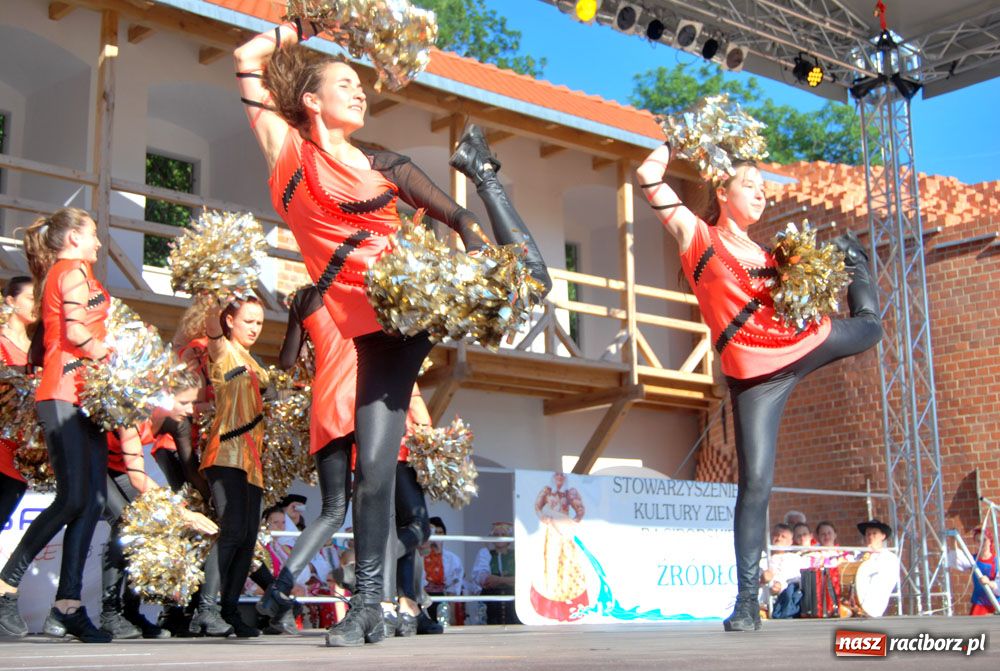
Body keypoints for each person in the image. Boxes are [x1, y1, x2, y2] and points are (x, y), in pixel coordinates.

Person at [236, 15, 549, 646]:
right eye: (344, 84)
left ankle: (485, 173)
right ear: (309, 100)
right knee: (373, 474)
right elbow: (248, 56)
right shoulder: (287, 150)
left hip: (411, 309)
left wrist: (472, 224)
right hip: (368, 332)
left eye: (361, 85)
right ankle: (369, 608)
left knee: (530, 282)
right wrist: (305, 21)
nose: (360, 93)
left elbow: (456, 220)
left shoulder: (384, 164)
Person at [637, 142, 882, 632]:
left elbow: (796, 298)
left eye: (764, 189)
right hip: (754, 375)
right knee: (755, 486)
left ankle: (852, 256)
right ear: (723, 192)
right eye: (750, 185)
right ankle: (747, 603)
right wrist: (680, 141)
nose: (760, 195)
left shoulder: (770, 256)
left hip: (800, 342)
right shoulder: (697, 235)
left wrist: (826, 266)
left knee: (871, 327)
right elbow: (648, 175)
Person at [0, 208, 113, 642]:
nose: (99, 243)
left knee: (93, 501)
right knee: (72, 500)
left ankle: (68, 603)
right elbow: (76, 333)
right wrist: (111, 354)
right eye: (93, 235)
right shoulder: (71, 271)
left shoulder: (72, 272)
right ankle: (7, 583)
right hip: (64, 392)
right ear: (73, 240)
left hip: (87, 398)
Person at [190, 296, 269, 638]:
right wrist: (213, 302)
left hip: (253, 460)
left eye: (259, 323)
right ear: (230, 322)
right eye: (248, 321)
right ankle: (205, 610)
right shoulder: (223, 350)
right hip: (225, 453)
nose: (254, 327)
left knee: (248, 538)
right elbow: (211, 330)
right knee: (232, 530)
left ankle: (229, 609)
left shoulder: (256, 361)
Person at [0, 277, 35, 531]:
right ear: (11, 301)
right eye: (31, 298)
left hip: (21, 456)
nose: (37, 305)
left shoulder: (37, 350)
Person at [530, 473, 588, 622]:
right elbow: (537, 506)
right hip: (551, 532)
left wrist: (571, 521)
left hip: (564, 533)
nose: (559, 479)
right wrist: (542, 516)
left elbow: (580, 510)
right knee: (550, 563)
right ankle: (551, 602)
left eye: (562, 477)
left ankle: (568, 603)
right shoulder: (547, 491)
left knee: (567, 564)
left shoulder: (570, 492)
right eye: (557, 477)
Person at [420, 517, 464, 627]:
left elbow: (453, 589)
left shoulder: (453, 559)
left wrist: (452, 614)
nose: (436, 536)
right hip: (422, 599)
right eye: (433, 532)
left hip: (442, 600)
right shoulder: (418, 557)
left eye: (440, 533)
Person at [472, 522, 518, 625]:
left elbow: (523, 580)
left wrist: (497, 579)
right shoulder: (485, 554)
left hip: (513, 603)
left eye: (503, 535)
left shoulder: (517, 554)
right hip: (492, 603)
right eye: (496, 535)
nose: (499, 538)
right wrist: (510, 580)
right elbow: (485, 580)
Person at [761, 523, 807, 619]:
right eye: (776, 535)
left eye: (783, 537)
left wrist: (781, 586)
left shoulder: (796, 559)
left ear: (790, 542)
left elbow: (798, 581)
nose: (779, 539)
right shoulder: (761, 559)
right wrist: (762, 579)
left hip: (788, 606)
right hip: (765, 606)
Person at [951, 526, 999, 615]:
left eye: (984, 540)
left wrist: (989, 583)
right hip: (979, 604)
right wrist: (954, 539)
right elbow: (957, 557)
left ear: (989, 541)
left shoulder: (997, 561)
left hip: (995, 604)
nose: (981, 543)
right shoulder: (972, 559)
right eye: (978, 541)